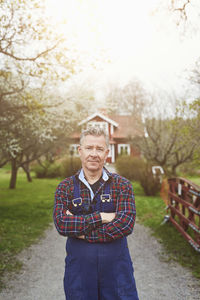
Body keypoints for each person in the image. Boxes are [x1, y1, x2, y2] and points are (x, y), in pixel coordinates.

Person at [53, 127, 139, 300]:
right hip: (79, 274)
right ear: (80, 151)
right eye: (89, 148)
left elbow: (125, 224)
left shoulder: (122, 185)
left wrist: (82, 233)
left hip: (117, 273)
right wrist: (102, 217)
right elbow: (62, 224)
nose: (94, 154)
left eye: (99, 149)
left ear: (107, 153)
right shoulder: (65, 187)